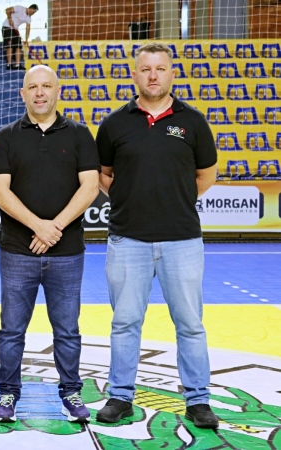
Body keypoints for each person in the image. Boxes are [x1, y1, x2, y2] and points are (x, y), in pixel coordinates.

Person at [95, 43, 219, 429]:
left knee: (191, 324)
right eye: (145, 68)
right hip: (127, 240)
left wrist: (173, 200)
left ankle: (198, 401)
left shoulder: (193, 122)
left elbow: (207, 176)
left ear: (171, 74)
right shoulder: (115, 124)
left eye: (160, 68)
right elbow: (102, 174)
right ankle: (120, 396)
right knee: (125, 322)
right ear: (134, 75)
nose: (152, 75)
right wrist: (131, 198)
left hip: (181, 240)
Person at [0, 65, 100, 423]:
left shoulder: (81, 135)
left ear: (57, 91)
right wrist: (40, 226)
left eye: (46, 86)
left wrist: (56, 228)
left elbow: (90, 187)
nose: (39, 93)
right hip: (18, 252)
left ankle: (71, 392)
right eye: (32, 87)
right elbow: (0, 193)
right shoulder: (6, 137)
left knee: (67, 329)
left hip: (67, 255)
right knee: (12, 329)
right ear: (23, 94)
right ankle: (8, 394)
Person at [2, 4, 38, 70]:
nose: (33, 14)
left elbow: (28, 28)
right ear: (30, 9)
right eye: (33, 12)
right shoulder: (20, 8)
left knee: (19, 46)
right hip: (7, 27)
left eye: (34, 13)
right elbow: (7, 10)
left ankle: (17, 65)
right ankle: (9, 65)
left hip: (15, 29)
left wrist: (26, 39)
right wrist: (10, 19)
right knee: (10, 46)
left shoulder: (28, 18)